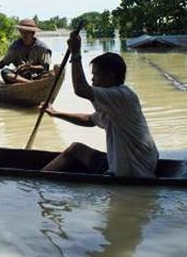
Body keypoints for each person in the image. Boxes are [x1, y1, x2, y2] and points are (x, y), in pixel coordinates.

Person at [39, 30, 159, 178]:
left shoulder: (121, 96)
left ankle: (36, 181)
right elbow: (90, 120)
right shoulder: (113, 102)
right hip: (137, 163)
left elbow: (81, 89)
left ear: (110, 77)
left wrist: (75, 53)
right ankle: (40, 178)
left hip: (133, 170)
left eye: (95, 75)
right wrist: (56, 113)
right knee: (76, 149)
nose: (92, 80)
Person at [0, 18, 52, 83]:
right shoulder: (15, 46)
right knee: (5, 72)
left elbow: (45, 67)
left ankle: (32, 83)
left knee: (49, 74)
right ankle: (29, 83)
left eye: (27, 32)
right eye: (22, 32)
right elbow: (4, 62)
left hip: (38, 76)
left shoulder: (42, 48)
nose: (24, 34)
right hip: (21, 76)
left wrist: (30, 67)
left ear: (33, 33)